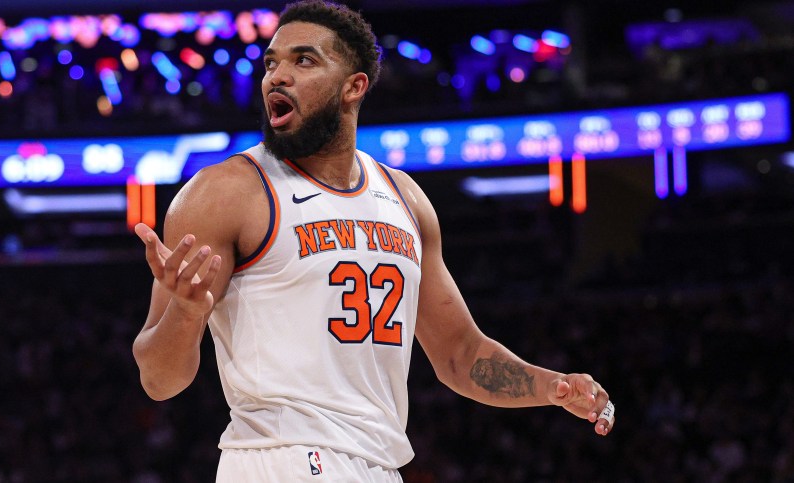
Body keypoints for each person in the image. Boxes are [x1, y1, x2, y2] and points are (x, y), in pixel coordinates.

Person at [132, 1, 616, 481]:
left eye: (303, 60)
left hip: (378, 464)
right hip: (280, 458)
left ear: (354, 87)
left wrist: (552, 385)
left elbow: (461, 356)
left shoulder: (404, 198)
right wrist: (187, 312)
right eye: (271, 63)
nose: (276, 76)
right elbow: (158, 380)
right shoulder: (224, 191)